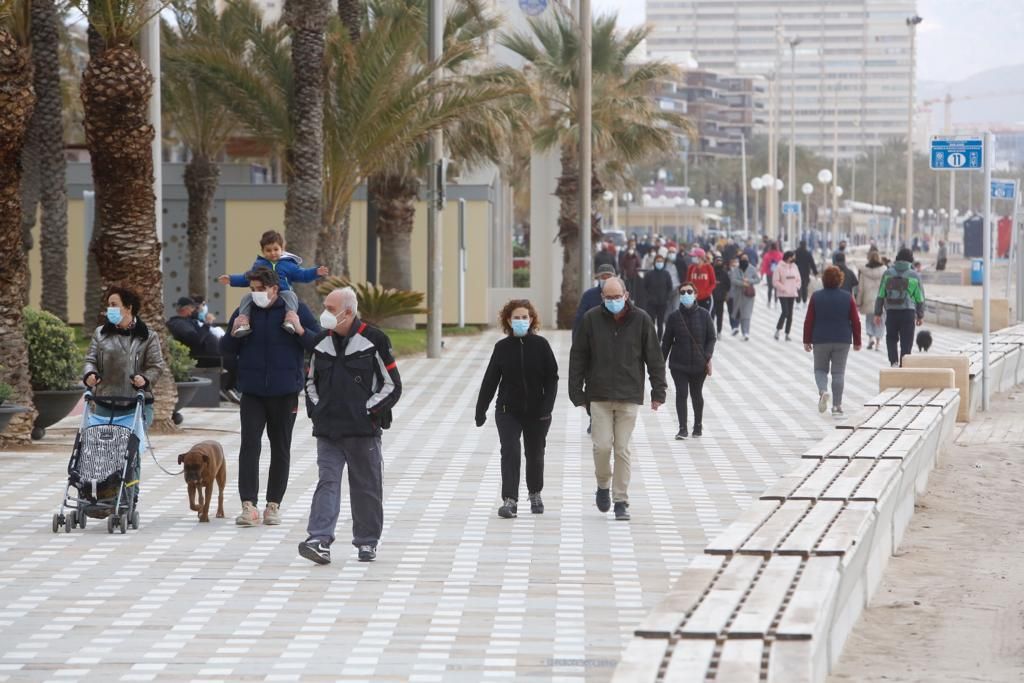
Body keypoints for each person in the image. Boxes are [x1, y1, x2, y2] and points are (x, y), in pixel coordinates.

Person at [296, 287, 401, 564]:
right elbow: (309, 382)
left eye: (330, 309)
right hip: (328, 430)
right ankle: (318, 539)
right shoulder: (320, 342)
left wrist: (366, 412)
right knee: (327, 483)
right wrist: (318, 410)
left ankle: (367, 542)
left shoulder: (374, 339)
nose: (325, 313)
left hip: (363, 431)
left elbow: (393, 386)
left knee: (366, 486)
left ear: (348, 312)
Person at [220, 267, 321, 527]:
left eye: (261, 289)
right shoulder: (245, 310)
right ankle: (248, 505)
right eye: (252, 290)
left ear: (275, 288)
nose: (257, 295)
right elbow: (225, 350)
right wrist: (233, 333)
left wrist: (299, 330)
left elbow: (319, 344)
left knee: (281, 448)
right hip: (252, 391)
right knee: (249, 446)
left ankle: (273, 504)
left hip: (285, 392)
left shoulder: (296, 310)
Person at [568, 277, 667, 522]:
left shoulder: (641, 319)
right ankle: (603, 485)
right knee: (601, 447)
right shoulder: (591, 319)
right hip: (599, 395)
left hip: (629, 394)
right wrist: (576, 391)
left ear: (626, 294)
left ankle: (621, 500)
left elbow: (654, 357)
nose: (613, 301)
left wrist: (658, 391)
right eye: (608, 297)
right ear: (602, 297)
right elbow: (578, 355)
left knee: (622, 448)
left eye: (617, 296)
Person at [475, 300, 558, 519]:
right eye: (516, 318)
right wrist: (480, 409)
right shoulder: (502, 348)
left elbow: (552, 378)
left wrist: (547, 407)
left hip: (537, 411)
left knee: (535, 454)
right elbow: (490, 380)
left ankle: (535, 493)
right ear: (508, 321)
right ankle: (509, 500)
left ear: (531, 319)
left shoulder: (541, 345)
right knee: (510, 451)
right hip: (507, 410)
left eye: (525, 317)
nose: (521, 321)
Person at [217, 229, 328, 337]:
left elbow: (302, 275)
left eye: (276, 249)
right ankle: (244, 322)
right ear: (263, 251)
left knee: (291, 295)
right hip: (264, 293)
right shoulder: (259, 265)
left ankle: (290, 320)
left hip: (283, 293)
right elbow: (248, 278)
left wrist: (315, 272)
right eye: (268, 250)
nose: (273, 253)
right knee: (247, 297)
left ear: (282, 248)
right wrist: (231, 279)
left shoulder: (288, 265)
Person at [83, 287, 165, 428]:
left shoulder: (148, 336)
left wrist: (145, 379)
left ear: (128, 308)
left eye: (114, 305)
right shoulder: (100, 333)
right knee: (104, 447)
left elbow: (156, 365)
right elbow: (91, 360)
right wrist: (90, 373)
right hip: (105, 403)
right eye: (108, 305)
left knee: (130, 448)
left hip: (137, 403)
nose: (110, 309)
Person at [803, 266, 862, 416]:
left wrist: (806, 340)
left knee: (820, 370)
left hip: (821, 338)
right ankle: (837, 406)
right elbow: (855, 320)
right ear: (840, 280)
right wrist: (857, 341)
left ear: (824, 280)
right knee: (838, 373)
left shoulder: (816, 297)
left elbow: (809, 320)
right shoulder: (847, 297)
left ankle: (823, 391)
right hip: (842, 339)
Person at [662, 282, 715, 439]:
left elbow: (711, 338)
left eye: (689, 291)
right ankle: (682, 428)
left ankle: (698, 425)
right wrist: (659, 364)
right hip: (679, 364)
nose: (685, 295)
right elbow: (666, 342)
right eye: (682, 292)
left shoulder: (705, 315)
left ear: (696, 294)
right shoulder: (673, 317)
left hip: (699, 364)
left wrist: (707, 355)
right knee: (681, 393)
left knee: (696, 394)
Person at [874, 247, 925, 367]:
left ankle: (893, 362)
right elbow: (920, 297)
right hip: (908, 312)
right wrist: (920, 315)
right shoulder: (914, 275)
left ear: (897, 259)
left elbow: (881, 295)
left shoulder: (887, 273)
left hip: (891, 312)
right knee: (906, 340)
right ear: (910, 260)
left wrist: (877, 313)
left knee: (891, 337)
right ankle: (904, 364)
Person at [573, 264, 617, 339]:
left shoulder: (620, 294)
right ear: (598, 278)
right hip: (594, 337)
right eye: (603, 277)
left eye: (609, 277)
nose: (606, 280)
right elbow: (579, 319)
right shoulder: (589, 295)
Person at [857, 249, 886, 351]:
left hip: (868, 300)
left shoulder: (864, 271)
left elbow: (860, 288)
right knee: (880, 321)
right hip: (881, 300)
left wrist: (858, 302)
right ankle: (878, 343)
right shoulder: (884, 271)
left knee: (869, 320)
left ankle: (870, 338)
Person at [729, 255, 761, 341]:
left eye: (746, 259)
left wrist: (749, 281)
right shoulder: (736, 269)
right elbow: (733, 280)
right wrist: (743, 283)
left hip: (748, 295)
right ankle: (735, 327)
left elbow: (758, 279)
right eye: (742, 259)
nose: (744, 261)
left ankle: (746, 332)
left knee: (746, 314)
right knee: (738, 313)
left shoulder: (752, 268)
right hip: (738, 295)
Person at [772, 251, 802, 341]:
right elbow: (775, 281)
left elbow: (798, 279)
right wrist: (783, 288)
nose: (794, 258)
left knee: (790, 314)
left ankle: (787, 333)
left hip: (792, 293)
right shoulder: (779, 267)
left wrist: (796, 286)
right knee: (785, 312)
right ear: (788, 257)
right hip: (783, 293)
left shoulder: (795, 267)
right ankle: (778, 330)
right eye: (793, 257)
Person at [643, 253, 674, 339]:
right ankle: (651, 339)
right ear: (654, 262)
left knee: (660, 323)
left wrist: (666, 298)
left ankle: (659, 340)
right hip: (651, 303)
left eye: (661, 261)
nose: (659, 263)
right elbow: (645, 287)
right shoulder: (649, 274)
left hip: (662, 303)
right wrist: (649, 297)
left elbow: (670, 287)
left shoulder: (666, 274)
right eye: (658, 261)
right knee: (651, 322)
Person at [685, 248, 717, 313]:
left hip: (706, 298)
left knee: (705, 319)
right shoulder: (691, 268)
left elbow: (713, 283)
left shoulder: (708, 268)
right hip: (693, 298)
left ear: (700, 257)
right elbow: (688, 282)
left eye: (694, 256)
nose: (692, 258)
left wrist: (707, 292)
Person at [711, 255, 731, 337]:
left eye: (720, 261)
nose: (719, 263)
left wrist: (725, 293)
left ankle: (719, 331)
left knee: (720, 316)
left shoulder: (724, 273)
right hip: (711, 298)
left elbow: (728, 285)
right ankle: (711, 331)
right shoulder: (711, 271)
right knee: (711, 316)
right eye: (717, 261)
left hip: (720, 298)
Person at [794, 240, 819, 305]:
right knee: (804, 287)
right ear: (805, 245)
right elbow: (812, 263)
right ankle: (804, 301)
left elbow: (792, 262)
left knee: (797, 287)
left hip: (797, 272)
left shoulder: (796, 252)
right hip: (805, 273)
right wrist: (815, 273)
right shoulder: (808, 253)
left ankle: (798, 301)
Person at [760, 241, 784, 308]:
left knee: (770, 288)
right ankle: (776, 303)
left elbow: (764, 265)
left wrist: (762, 273)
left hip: (769, 273)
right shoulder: (780, 255)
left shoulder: (767, 255)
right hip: (777, 274)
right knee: (776, 288)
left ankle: (769, 302)